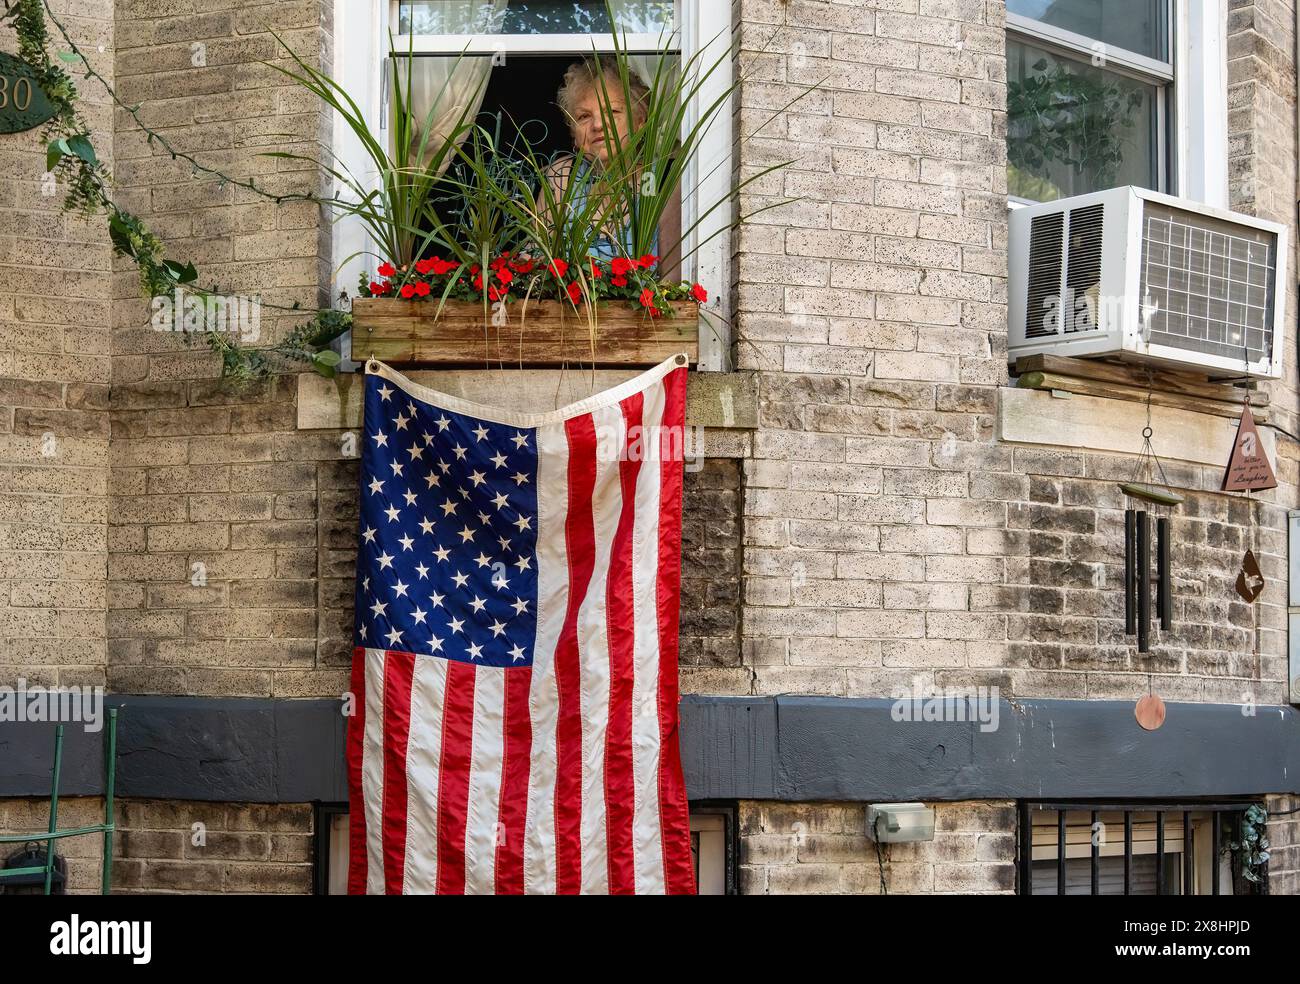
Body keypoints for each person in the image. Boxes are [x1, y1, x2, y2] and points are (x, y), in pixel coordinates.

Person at [544, 57, 682, 281]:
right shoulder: (562, 177)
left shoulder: (661, 181)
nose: (598, 125)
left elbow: (674, 282)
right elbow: (539, 267)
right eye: (584, 116)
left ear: (640, 121)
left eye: (613, 112)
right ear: (574, 134)